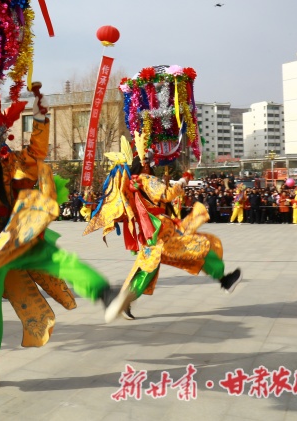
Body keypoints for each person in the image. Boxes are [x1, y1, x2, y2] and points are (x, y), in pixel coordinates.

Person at [0, 87, 125, 390]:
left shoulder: (10, 163)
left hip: (14, 237)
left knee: (56, 258)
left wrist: (40, 118)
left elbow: (36, 153)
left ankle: (104, 292)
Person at [85, 137, 242, 322]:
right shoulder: (145, 178)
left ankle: (124, 301)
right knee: (202, 245)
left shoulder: (134, 182)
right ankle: (224, 279)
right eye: (151, 161)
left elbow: (158, 197)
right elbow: (166, 195)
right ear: (144, 164)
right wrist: (184, 179)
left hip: (151, 232)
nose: (153, 164)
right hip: (161, 231)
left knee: (147, 268)